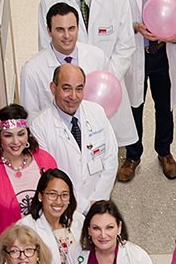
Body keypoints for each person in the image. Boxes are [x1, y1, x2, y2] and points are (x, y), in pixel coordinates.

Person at [37, 0, 137, 146]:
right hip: (70, 93)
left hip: (109, 87)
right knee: (75, 146)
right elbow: (46, 49)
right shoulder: (50, 0)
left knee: (108, 146)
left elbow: (126, 44)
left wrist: (104, 82)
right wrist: (76, 88)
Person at [108, 0, 176, 182]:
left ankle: (164, 151)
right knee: (134, 105)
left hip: (163, 54)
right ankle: (132, 154)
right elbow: (113, 20)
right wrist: (134, 26)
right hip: (136, 52)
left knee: (165, 106)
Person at [0, 105, 57, 259]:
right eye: (8, 135)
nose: (15, 141)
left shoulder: (46, 161)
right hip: (4, 258)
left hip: (44, 253)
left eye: (21, 134)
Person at [31, 64, 119, 214]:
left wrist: (98, 202)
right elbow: (50, 177)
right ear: (53, 88)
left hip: (100, 203)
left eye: (79, 89)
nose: (73, 96)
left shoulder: (96, 112)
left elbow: (111, 157)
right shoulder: (39, 127)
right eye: (66, 88)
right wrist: (85, 207)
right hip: (65, 207)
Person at [20, 3, 108, 117]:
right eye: (60, 30)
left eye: (71, 29)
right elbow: (30, 117)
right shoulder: (31, 71)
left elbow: (106, 99)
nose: (66, 36)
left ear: (78, 28)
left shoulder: (97, 57)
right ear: (49, 31)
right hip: (51, 133)